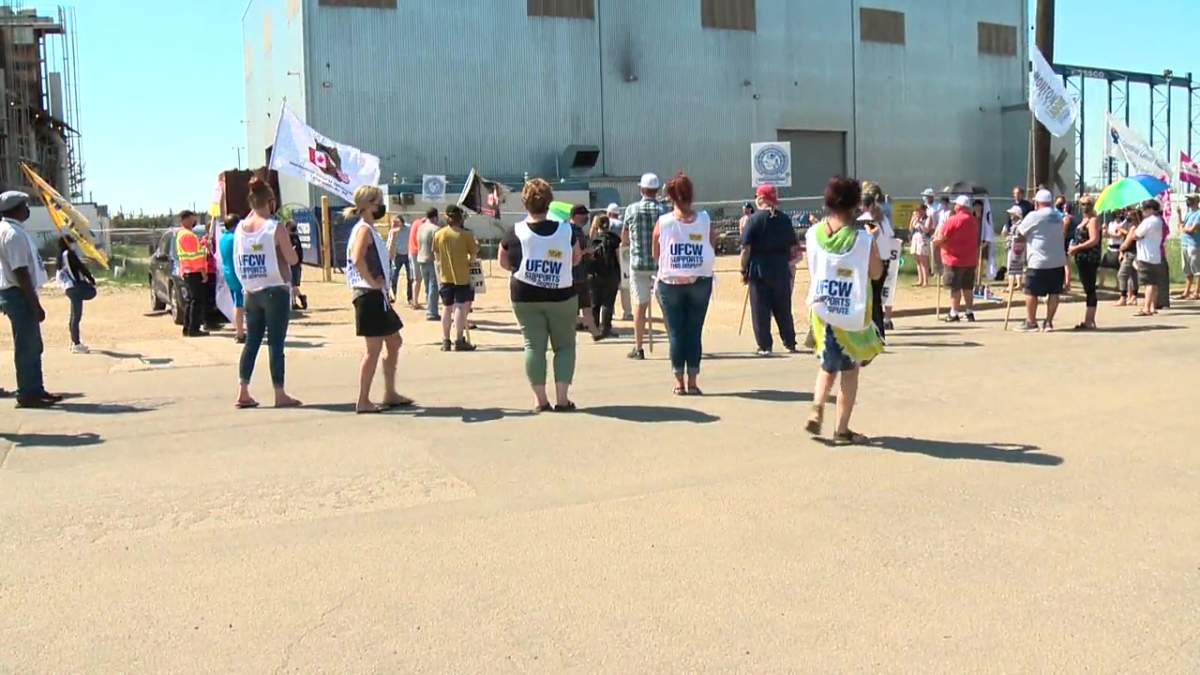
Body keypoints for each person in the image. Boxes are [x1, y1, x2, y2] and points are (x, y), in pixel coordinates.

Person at [803, 177, 884, 445]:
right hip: (852, 311)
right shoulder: (862, 239)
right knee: (849, 371)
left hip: (822, 306)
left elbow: (813, 267)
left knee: (827, 365)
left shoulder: (812, 233)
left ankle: (817, 405)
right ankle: (842, 428)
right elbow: (876, 273)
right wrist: (872, 245)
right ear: (855, 204)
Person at [498, 178, 582, 412]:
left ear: (525, 203)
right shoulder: (567, 231)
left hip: (525, 295)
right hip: (562, 295)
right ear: (549, 202)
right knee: (565, 346)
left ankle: (540, 399)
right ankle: (563, 399)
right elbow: (576, 258)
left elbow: (503, 261)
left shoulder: (514, 232)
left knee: (533, 346)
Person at [232, 175, 301, 409]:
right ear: (270, 202)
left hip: (251, 290)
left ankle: (243, 389)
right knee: (276, 343)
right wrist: (288, 248)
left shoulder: (241, 228)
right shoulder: (274, 227)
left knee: (251, 341)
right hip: (275, 289)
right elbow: (292, 259)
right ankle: (279, 392)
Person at [345, 186, 411, 413]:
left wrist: (392, 235)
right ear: (369, 205)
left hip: (377, 296)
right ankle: (363, 400)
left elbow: (387, 257)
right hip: (368, 295)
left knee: (394, 342)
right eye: (379, 202)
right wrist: (372, 281)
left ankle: (390, 392)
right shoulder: (363, 229)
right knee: (372, 350)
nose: (382, 206)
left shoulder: (370, 230)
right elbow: (357, 258)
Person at [653, 172, 716, 395]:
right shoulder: (705, 219)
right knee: (694, 331)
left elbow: (656, 251)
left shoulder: (664, 222)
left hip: (670, 281)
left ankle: (679, 381)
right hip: (700, 279)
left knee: (677, 332)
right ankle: (693, 380)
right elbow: (712, 244)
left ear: (671, 196)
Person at [0, 191, 61, 409]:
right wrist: (35, 304)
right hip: (19, 294)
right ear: (16, 208)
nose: (28, 209)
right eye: (25, 205)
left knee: (31, 344)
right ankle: (28, 393)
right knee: (28, 345)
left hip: (16, 293)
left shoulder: (10, 230)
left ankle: (35, 388)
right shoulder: (12, 234)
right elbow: (21, 272)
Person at [740, 184, 797, 355]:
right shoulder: (784, 219)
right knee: (783, 307)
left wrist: (743, 269)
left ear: (762, 198)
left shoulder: (754, 220)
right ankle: (789, 340)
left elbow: (746, 249)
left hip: (759, 268)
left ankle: (765, 345)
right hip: (780, 267)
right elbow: (793, 246)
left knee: (760, 309)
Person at [622, 172, 666, 360]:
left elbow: (624, 237)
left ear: (641, 189)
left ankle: (638, 347)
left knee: (640, 306)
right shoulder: (664, 211)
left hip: (638, 263)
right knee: (666, 306)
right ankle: (675, 345)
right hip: (659, 264)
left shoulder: (631, 209)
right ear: (656, 191)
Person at [1014, 189, 1068, 332]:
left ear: (1037, 202)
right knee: (1054, 292)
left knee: (1031, 291)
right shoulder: (1057, 216)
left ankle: (1031, 322)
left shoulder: (1034, 215)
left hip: (1038, 260)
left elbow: (1019, 233)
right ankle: (1048, 322)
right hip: (1057, 260)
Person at [432, 204, 479, 351]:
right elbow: (473, 254)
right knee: (459, 307)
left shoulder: (439, 234)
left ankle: (445, 340)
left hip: (445, 276)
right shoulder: (466, 235)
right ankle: (459, 339)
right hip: (462, 276)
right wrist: (469, 263)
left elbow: (436, 254)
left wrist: (442, 266)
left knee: (446, 308)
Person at [932, 195, 979, 322]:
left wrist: (936, 242)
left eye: (956, 204)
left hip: (954, 259)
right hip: (970, 259)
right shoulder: (973, 220)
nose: (954, 206)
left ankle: (954, 313)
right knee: (968, 287)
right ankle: (969, 312)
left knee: (955, 287)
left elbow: (943, 236)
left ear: (959, 206)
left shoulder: (953, 220)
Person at [1121, 199, 1166, 317]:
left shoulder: (1148, 221)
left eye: (1145, 209)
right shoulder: (1159, 220)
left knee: (1148, 283)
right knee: (1153, 282)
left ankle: (1146, 307)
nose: (1143, 211)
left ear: (1151, 209)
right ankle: (1151, 306)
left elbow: (1136, 235)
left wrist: (1133, 231)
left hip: (1146, 255)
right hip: (1155, 254)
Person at [56, 236, 97, 354]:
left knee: (74, 314)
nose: (74, 244)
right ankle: (76, 343)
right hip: (75, 286)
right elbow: (80, 267)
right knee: (76, 315)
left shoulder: (61, 256)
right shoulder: (69, 254)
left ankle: (74, 341)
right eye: (72, 242)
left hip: (68, 287)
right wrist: (90, 278)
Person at [1067, 195, 1102, 329]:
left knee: (1090, 288)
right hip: (1081, 257)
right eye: (1082, 204)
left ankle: (1090, 320)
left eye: (1087, 203)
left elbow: (1094, 240)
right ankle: (1088, 319)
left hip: (1089, 258)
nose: (1084, 206)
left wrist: (1077, 247)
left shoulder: (1093, 220)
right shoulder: (1083, 220)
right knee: (1087, 287)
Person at [175, 210, 209, 337]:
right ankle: (193, 329)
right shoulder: (188, 235)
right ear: (184, 220)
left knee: (191, 301)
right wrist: (203, 272)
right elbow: (196, 257)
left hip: (188, 271)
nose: (193, 222)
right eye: (191, 219)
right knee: (196, 301)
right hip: (194, 271)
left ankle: (187, 327)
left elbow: (194, 251)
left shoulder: (183, 234)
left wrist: (202, 244)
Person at [587, 213, 621, 339]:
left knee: (595, 303)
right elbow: (619, 257)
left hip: (594, 274)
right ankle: (606, 329)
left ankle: (594, 330)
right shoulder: (614, 239)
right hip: (611, 274)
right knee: (608, 302)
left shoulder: (593, 240)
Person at [568, 204, 600, 338]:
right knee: (573, 308)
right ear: (575, 216)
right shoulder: (569, 231)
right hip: (572, 275)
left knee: (586, 304)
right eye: (584, 215)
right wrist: (586, 251)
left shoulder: (580, 230)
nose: (586, 218)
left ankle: (594, 331)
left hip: (581, 274)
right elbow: (569, 255)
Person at [218, 215, 246, 343]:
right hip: (238, 274)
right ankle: (240, 333)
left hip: (229, 274)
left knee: (236, 302)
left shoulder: (223, 238)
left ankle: (239, 330)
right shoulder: (236, 238)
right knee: (240, 304)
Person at [607, 202, 633, 321]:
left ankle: (609, 311)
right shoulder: (622, 224)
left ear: (608, 213)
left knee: (609, 286)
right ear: (617, 214)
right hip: (622, 257)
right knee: (625, 286)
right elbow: (627, 240)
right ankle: (627, 312)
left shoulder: (604, 223)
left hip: (607, 258)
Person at [410, 208, 438, 313]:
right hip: (431, 259)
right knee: (433, 286)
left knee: (427, 286)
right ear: (435, 217)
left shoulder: (420, 227)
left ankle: (429, 307)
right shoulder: (435, 229)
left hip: (420, 258)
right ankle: (432, 312)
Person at [385, 214, 412, 305]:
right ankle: (393, 296)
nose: (395, 224)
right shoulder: (392, 231)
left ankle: (410, 297)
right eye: (393, 222)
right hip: (397, 255)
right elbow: (389, 245)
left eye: (396, 222)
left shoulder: (409, 228)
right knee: (394, 276)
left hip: (408, 255)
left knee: (410, 277)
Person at [1178, 195, 1200, 300]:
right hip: (1185, 244)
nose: (1188, 201)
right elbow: (1181, 225)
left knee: (1197, 269)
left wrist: (1183, 228)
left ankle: (1196, 292)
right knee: (1187, 270)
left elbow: (1193, 229)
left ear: (1196, 201)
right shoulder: (1188, 213)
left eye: (1190, 199)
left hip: (1194, 244)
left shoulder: (1198, 214)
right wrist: (1179, 215)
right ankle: (1186, 291)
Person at [1003, 205, 1027, 290]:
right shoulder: (1013, 224)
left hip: (1016, 247)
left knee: (1013, 265)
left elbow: (1020, 236)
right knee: (1014, 265)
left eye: (1012, 214)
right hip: (1014, 247)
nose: (1011, 215)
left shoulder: (1020, 224)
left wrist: (1011, 238)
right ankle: (1014, 284)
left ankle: (1013, 284)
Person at [909, 202, 933, 287]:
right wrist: (913, 220)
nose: (918, 213)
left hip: (923, 239)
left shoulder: (928, 218)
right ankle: (920, 280)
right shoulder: (916, 218)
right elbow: (911, 229)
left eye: (919, 211)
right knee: (918, 261)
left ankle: (926, 281)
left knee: (924, 261)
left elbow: (926, 230)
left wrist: (919, 222)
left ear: (923, 210)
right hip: (916, 238)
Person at [285, 219, 307, 310]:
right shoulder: (295, 237)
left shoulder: (290, 238)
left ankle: (301, 298)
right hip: (296, 264)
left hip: (292, 264)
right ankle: (294, 302)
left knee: (292, 284)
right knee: (292, 284)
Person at [1056, 196, 1075, 292]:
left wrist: (1061, 241)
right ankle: (1066, 283)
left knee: (1066, 264)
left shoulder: (1067, 217)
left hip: (1066, 241)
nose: (1063, 208)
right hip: (1069, 241)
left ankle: (1067, 284)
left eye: (1064, 207)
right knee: (1067, 263)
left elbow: (1065, 231)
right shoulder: (1071, 217)